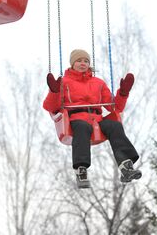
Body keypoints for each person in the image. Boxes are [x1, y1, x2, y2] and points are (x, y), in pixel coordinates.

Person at [43, 49, 142, 188]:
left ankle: (126, 166)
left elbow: (115, 108)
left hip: (97, 119)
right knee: (83, 127)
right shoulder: (64, 82)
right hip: (75, 118)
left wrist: (123, 93)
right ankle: (81, 169)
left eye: (86, 61)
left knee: (114, 126)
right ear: (72, 63)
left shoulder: (98, 83)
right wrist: (54, 91)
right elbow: (50, 107)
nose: (83, 63)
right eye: (79, 60)